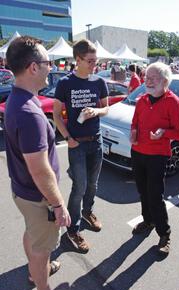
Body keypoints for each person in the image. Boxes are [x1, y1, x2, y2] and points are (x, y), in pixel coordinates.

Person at [5, 36, 71, 290]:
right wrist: (58, 204)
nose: (51, 67)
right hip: (37, 196)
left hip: (23, 192)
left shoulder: (18, 98)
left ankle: (35, 273)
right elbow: (40, 170)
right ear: (33, 67)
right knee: (42, 248)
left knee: (32, 236)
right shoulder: (29, 113)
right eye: (48, 62)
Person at [53, 39, 109, 253]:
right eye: (90, 60)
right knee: (80, 187)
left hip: (96, 141)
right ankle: (72, 229)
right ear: (78, 60)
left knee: (93, 185)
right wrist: (68, 138)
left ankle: (88, 212)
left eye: (96, 60)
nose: (95, 64)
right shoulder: (65, 83)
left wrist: (96, 112)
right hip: (76, 144)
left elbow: (106, 109)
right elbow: (57, 115)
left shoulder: (98, 82)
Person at [130, 62, 179, 255]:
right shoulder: (142, 99)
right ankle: (148, 220)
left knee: (155, 196)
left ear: (165, 81)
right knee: (142, 191)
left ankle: (164, 234)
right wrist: (133, 132)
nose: (148, 81)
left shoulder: (174, 102)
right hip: (138, 152)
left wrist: (163, 133)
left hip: (157, 156)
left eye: (153, 78)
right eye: (146, 78)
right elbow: (134, 122)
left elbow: (178, 133)